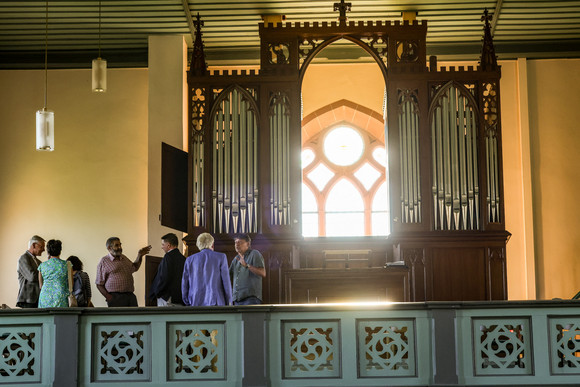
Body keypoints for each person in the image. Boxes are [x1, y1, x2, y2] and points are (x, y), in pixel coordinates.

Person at [95, 237, 152, 307]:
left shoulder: (123, 258)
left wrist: (140, 255)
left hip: (130, 296)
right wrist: (109, 297)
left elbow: (135, 267)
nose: (120, 247)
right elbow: (99, 284)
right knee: (119, 318)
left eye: (120, 245)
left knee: (134, 317)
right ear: (109, 248)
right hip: (115, 298)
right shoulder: (104, 261)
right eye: (116, 245)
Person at [182, 233, 232, 306]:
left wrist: (186, 300)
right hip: (216, 303)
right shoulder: (221, 257)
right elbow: (226, 282)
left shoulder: (189, 260)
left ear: (198, 245)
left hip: (195, 302)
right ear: (212, 245)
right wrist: (229, 302)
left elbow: (184, 282)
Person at [149, 233, 186, 306]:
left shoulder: (168, 257)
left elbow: (164, 277)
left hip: (167, 298)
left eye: (163, 244)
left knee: (164, 317)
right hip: (179, 298)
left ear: (168, 245)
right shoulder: (183, 259)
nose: (161, 247)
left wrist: (157, 292)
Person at [229, 233, 266, 305]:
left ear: (248, 244)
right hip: (237, 300)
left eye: (240, 242)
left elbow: (263, 272)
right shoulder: (236, 259)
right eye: (235, 242)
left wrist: (247, 265)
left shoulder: (254, 254)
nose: (237, 244)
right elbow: (227, 275)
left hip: (250, 299)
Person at [38, 239, 69, 308]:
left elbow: (41, 286)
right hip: (61, 295)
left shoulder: (42, 266)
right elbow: (70, 284)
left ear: (48, 251)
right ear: (60, 250)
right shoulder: (67, 265)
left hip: (45, 296)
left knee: (44, 318)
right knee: (61, 318)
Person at [16, 235, 45, 308]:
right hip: (27, 300)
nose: (44, 250)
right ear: (34, 245)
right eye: (41, 247)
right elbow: (31, 276)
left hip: (38, 299)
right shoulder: (23, 258)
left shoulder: (39, 262)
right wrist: (43, 275)